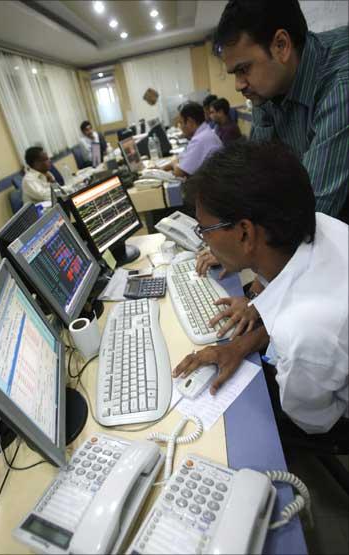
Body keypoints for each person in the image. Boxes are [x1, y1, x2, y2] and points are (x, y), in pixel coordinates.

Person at [173, 141, 348, 439]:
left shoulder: (301, 332)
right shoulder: (318, 224)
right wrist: (242, 345)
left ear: (244, 232)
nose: (204, 241)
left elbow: (314, 421)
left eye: (204, 230)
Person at [212, 0, 349, 219]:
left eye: (244, 69)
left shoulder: (341, 85)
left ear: (281, 45)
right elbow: (257, 176)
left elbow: (310, 213)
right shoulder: (268, 87)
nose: (239, 85)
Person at [163, 102, 222, 178]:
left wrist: (174, 162)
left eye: (181, 123)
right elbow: (182, 157)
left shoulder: (200, 139)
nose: (180, 127)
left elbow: (179, 173)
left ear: (190, 122)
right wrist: (161, 169)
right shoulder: (204, 133)